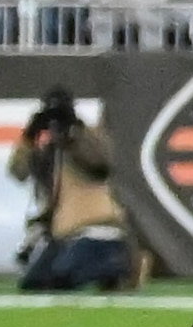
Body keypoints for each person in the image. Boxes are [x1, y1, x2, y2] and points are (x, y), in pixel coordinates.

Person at [10, 83, 131, 288]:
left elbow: (103, 163)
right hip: (64, 237)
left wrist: (75, 132)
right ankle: (105, 268)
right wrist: (30, 137)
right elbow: (18, 172)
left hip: (98, 230)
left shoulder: (88, 139)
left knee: (64, 274)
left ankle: (115, 266)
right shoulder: (47, 154)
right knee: (35, 283)